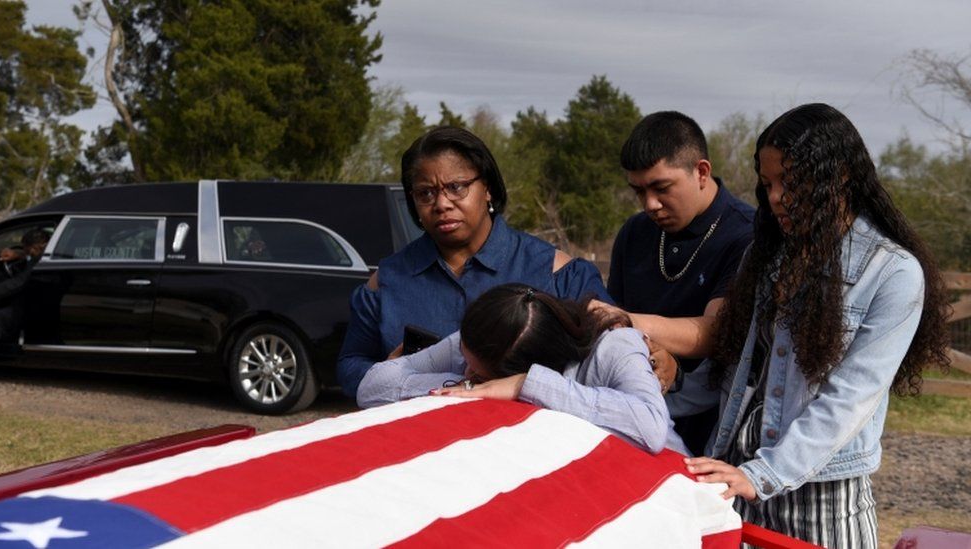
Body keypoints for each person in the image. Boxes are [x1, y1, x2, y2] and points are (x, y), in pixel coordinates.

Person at [682, 104, 951, 547]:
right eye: (768, 183)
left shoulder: (893, 273)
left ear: (839, 176)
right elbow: (739, 367)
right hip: (739, 483)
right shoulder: (764, 255)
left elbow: (851, 397)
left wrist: (764, 473)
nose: (775, 197)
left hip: (822, 499)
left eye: (791, 181)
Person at [336, 127, 616, 398]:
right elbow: (350, 366)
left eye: (456, 187)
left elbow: (612, 356)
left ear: (488, 188)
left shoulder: (557, 272)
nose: (442, 203)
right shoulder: (387, 280)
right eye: (426, 193)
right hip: (419, 438)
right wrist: (394, 374)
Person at [357, 283, 688, 455]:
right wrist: (468, 386)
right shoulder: (479, 340)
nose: (467, 371)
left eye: (479, 374)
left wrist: (527, 386)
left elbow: (651, 429)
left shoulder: (614, 346)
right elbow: (372, 386)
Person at [605, 111, 755, 456]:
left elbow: (716, 332)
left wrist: (627, 323)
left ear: (701, 171)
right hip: (633, 417)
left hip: (714, 435)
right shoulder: (635, 232)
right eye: (638, 191)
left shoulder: (747, 234)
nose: (650, 205)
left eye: (661, 188)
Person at [0, 229, 50, 348]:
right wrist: (19, 254)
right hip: (36, 303)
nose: (28, 252)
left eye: (28, 249)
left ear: (38, 247)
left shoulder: (41, 262)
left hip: (34, 307)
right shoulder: (43, 256)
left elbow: (19, 282)